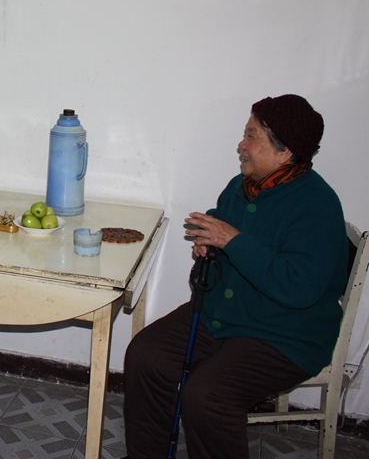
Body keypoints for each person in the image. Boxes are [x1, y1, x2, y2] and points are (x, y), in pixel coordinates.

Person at [123, 94, 348, 459]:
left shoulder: (317, 205)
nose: (241, 145)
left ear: (284, 152)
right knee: (146, 355)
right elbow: (227, 220)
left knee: (207, 395)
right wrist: (209, 239)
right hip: (223, 317)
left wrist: (231, 240)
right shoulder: (242, 186)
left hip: (284, 336)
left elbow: (299, 286)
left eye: (251, 136)